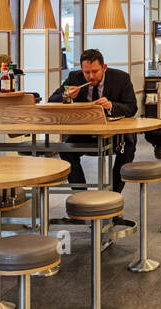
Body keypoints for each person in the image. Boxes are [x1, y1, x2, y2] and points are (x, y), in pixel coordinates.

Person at [50, 48, 138, 219]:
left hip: (114, 134)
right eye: (86, 72)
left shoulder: (121, 78)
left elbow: (132, 107)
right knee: (65, 149)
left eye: (95, 71)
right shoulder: (74, 77)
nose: (90, 76)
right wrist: (66, 95)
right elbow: (51, 100)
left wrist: (111, 105)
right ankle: (83, 199)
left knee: (129, 145)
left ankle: (113, 197)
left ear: (104, 67)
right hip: (84, 133)